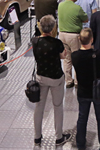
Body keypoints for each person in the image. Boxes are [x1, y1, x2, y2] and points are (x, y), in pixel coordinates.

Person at [32, 15, 69, 145]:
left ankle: (37, 136)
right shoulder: (57, 43)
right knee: (57, 106)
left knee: (39, 107)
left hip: (41, 77)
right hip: (56, 78)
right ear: (53, 28)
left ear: (40, 27)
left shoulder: (35, 41)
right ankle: (59, 137)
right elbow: (63, 56)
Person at [71, 28, 100, 150]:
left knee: (82, 118)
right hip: (98, 91)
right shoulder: (98, 54)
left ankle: (80, 143)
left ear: (79, 39)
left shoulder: (75, 56)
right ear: (92, 40)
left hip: (83, 92)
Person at [58, 0, 87, 88]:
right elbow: (85, 19)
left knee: (67, 59)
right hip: (74, 36)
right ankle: (77, 81)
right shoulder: (77, 8)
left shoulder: (60, 5)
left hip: (62, 35)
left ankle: (68, 81)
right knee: (77, 58)